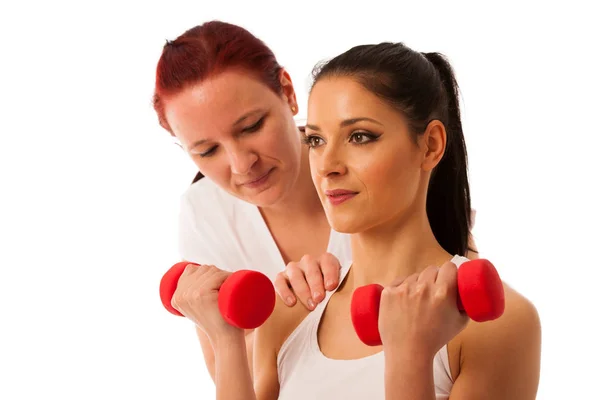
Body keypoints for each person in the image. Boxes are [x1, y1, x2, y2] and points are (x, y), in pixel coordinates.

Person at [170, 41, 541, 399]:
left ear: (430, 146)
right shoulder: (291, 311)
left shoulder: (495, 323)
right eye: (315, 140)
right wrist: (225, 338)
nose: (327, 166)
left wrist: (409, 355)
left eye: (360, 136)